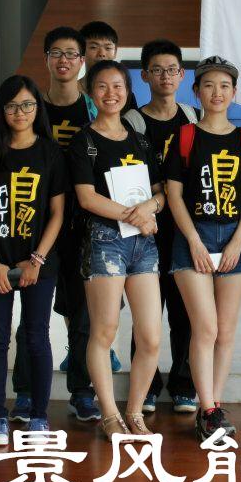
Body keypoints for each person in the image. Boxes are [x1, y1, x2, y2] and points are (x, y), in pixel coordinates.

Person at [163, 56, 241, 440]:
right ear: (196, 91)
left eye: (224, 86)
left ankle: (213, 407)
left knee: (225, 331)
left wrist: (238, 240)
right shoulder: (185, 137)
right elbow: (173, 194)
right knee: (204, 327)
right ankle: (207, 408)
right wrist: (193, 240)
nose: (216, 92)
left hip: (235, 238)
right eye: (208, 85)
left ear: (234, 93)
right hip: (194, 236)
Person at [68, 60, 166, 439]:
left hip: (144, 244)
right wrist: (135, 215)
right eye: (103, 86)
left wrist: (149, 209)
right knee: (104, 330)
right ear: (91, 93)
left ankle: (135, 410)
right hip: (104, 241)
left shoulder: (141, 140)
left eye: (118, 86)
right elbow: (86, 198)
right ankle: (110, 414)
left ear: (128, 90)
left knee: (151, 336)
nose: (111, 93)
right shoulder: (84, 141)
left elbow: (160, 192)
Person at [0, 76, 66, 445]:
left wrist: (37, 260)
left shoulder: (50, 153)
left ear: (37, 109)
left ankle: (39, 416)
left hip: (38, 263)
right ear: (1, 110)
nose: (20, 112)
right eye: (11, 106)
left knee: (36, 336)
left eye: (27, 105)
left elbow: (57, 213)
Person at [23, 26, 102, 424]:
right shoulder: (30, 108)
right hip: (35, 225)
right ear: (47, 59)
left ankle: (82, 392)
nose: (64, 60)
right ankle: (25, 392)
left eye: (72, 54)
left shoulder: (95, 110)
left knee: (84, 315)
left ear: (82, 62)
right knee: (31, 314)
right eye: (56, 53)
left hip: (84, 224)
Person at [122, 39, 200, 415]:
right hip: (146, 230)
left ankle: (184, 384)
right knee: (146, 313)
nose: (165, 76)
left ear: (182, 75)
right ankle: (147, 384)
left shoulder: (193, 117)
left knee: (185, 310)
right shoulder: (132, 122)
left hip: (184, 229)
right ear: (144, 76)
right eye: (157, 70)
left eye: (172, 70)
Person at [79, 20, 140, 113]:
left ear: (115, 51)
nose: (102, 54)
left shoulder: (125, 96)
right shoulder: (71, 91)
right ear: (81, 50)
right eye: (93, 47)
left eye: (108, 48)